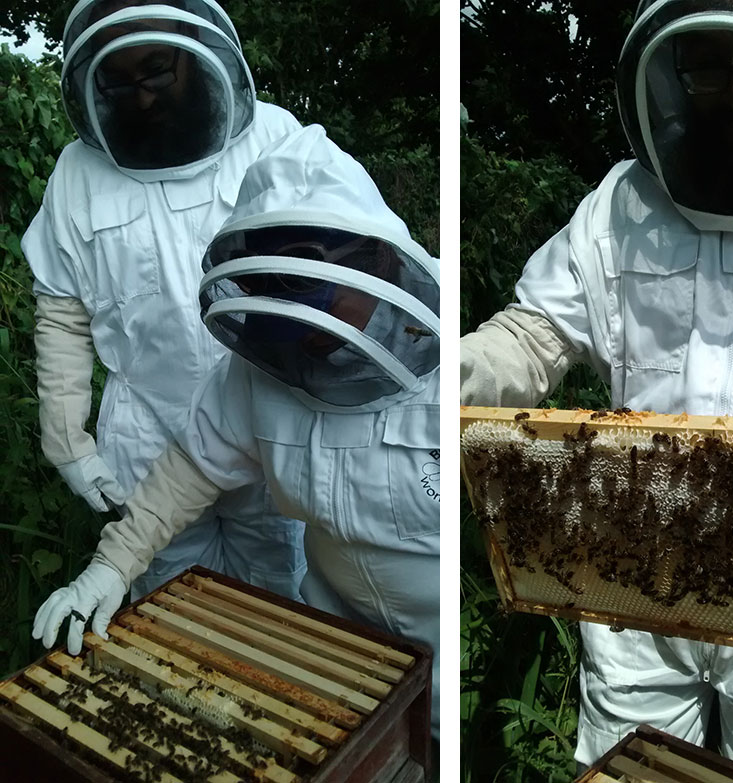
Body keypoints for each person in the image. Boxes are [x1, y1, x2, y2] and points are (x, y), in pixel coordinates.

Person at [461, 1, 733, 780]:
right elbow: (538, 332)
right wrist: (469, 367)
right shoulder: (627, 203)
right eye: (706, 66)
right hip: (638, 579)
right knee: (633, 768)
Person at [32, 125, 442, 738]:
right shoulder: (253, 377)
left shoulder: (458, 368)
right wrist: (109, 569)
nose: (305, 326)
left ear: (378, 260)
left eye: (315, 288)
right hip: (334, 637)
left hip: (442, 650)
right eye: (274, 290)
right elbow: (189, 470)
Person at [23, 0, 307, 600]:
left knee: (283, 602)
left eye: (156, 71)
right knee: (172, 608)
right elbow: (62, 313)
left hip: (271, 424)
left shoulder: (276, 140)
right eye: (119, 80)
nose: (143, 96)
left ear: (195, 54)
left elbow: (343, 278)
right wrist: (67, 441)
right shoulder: (76, 173)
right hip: (147, 438)